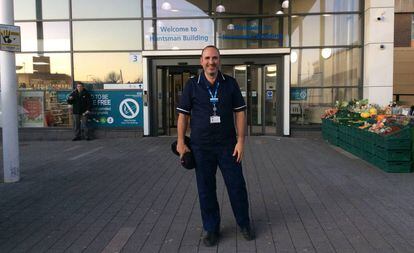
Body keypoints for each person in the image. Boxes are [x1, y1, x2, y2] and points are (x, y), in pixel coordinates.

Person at [176, 45, 253, 247]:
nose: (211, 62)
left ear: (220, 60)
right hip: (201, 147)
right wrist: (182, 142)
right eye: (207, 58)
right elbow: (183, 115)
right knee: (206, 189)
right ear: (201, 61)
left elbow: (240, 113)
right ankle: (211, 228)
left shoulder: (230, 83)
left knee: (237, 186)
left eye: (215, 58)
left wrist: (241, 141)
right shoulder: (192, 85)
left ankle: (244, 223)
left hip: (228, 146)